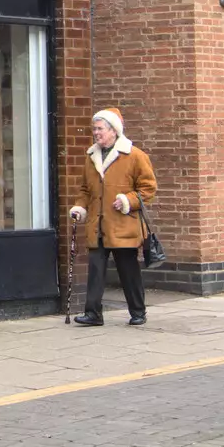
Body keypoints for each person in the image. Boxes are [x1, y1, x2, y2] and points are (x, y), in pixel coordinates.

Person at [69, 108, 157, 326]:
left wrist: (128, 200)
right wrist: (80, 208)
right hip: (97, 224)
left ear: (113, 131)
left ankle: (138, 312)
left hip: (122, 224)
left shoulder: (135, 156)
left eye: (100, 129)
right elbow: (85, 191)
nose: (95, 133)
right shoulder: (91, 157)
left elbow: (148, 189)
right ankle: (93, 313)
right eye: (94, 129)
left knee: (128, 270)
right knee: (95, 271)